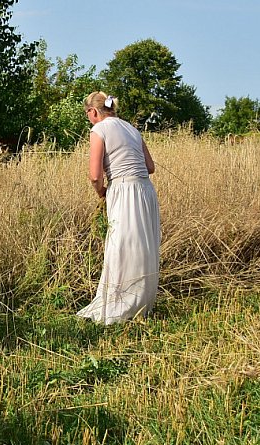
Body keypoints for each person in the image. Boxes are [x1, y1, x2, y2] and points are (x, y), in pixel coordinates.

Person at [77, 91, 160, 324]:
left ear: (93, 112)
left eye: (88, 115)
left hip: (123, 191)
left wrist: (102, 192)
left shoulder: (99, 130)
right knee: (144, 246)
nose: (89, 120)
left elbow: (94, 176)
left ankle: (119, 304)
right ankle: (142, 303)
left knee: (121, 246)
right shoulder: (132, 129)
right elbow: (150, 167)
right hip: (145, 190)